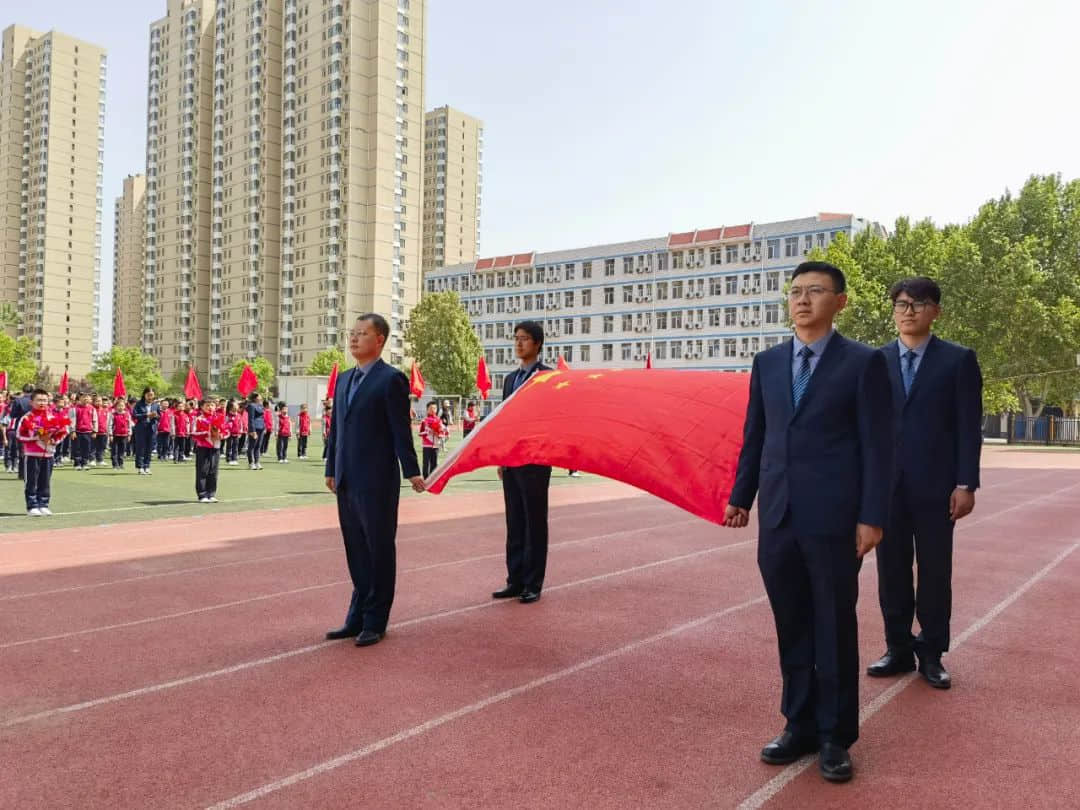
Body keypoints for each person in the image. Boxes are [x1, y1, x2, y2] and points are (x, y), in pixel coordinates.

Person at [722, 261, 893, 784]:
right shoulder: (768, 363)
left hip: (835, 519)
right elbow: (756, 435)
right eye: (795, 291)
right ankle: (797, 723)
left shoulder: (864, 363)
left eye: (815, 291)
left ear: (840, 301)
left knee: (834, 625)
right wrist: (741, 496)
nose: (802, 300)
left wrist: (872, 516)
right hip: (777, 515)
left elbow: (878, 448)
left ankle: (835, 736)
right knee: (791, 621)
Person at [867, 277, 983, 690]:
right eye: (901, 304)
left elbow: (969, 427)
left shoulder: (958, 360)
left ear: (936, 311)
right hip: (886, 487)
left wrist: (966, 482)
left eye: (919, 303)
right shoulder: (873, 362)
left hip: (937, 487)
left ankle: (931, 652)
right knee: (891, 570)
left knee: (935, 571)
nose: (909, 311)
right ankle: (897, 647)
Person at [324, 313, 424, 647]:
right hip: (346, 478)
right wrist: (330, 468)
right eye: (351, 334)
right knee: (356, 550)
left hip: (377, 480)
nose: (353, 339)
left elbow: (400, 430)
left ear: (379, 339)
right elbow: (337, 427)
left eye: (362, 334)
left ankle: (376, 619)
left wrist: (411, 470)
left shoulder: (390, 379)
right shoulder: (344, 379)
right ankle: (357, 615)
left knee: (378, 548)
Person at [493, 320, 553, 605]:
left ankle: (533, 583)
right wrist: (502, 457)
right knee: (514, 521)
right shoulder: (509, 379)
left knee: (534, 522)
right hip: (512, 460)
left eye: (525, 339)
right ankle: (514, 579)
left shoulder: (547, 378)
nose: (519, 343)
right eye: (516, 338)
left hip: (536, 461)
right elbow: (506, 422)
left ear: (538, 344)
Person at [17, 388, 68, 516]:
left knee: (45, 481)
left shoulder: (54, 417)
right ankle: (32, 506)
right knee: (31, 481)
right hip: (32, 454)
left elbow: (63, 432)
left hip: (49, 454)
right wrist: (37, 437)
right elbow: (19, 435)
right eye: (39, 400)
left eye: (45, 400)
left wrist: (52, 440)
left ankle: (43, 504)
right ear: (31, 402)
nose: (42, 403)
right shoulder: (26, 418)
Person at [191, 399, 223, 503]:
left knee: (213, 471)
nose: (210, 407)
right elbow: (193, 433)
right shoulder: (199, 419)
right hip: (203, 447)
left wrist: (221, 435)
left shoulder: (219, 418)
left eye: (212, 405)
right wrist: (206, 433)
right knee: (202, 471)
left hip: (215, 447)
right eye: (207, 405)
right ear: (202, 407)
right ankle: (202, 494)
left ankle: (211, 493)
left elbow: (226, 431)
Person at [132, 387, 159, 475]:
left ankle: (147, 466)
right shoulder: (139, 404)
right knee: (141, 448)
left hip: (151, 429)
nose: (150, 397)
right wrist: (146, 415)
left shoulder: (155, 405)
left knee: (149, 448)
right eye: (148, 395)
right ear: (145, 395)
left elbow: (160, 416)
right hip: (141, 429)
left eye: (152, 395)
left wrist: (155, 416)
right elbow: (135, 415)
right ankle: (140, 467)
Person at [418, 401, 447, 477]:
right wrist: (428, 431)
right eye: (431, 408)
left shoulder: (439, 420)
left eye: (434, 408)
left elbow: (443, 433)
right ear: (427, 409)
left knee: (434, 463)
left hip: (436, 445)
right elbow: (420, 433)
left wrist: (440, 434)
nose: (433, 410)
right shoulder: (424, 421)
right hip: (427, 445)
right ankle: (425, 478)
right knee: (426, 463)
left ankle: (432, 478)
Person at [73, 393, 96, 471]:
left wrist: (95, 431)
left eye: (87, 398)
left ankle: (85, 463)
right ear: (80, 399)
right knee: (77, 448)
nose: (85, 399)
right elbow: (72, 421)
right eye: (84, 398)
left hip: (88, 431)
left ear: (90, 400)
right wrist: (72, 431)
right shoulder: (75, 408)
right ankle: (77, 463)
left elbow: (95, 420)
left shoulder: (92, 408)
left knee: (86, 448)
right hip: (78, 431)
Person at [109, 397, 132, 469]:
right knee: (114, 450)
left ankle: (121, 463)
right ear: (116, 407)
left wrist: (129, 434)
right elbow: (110, 425)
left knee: (122, 450)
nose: (120, 407)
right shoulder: (113, 414)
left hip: (124, 435)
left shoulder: (127, 414)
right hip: (115, 435)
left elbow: (129, 425)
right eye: (119, 406)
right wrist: (110, 434)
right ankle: (115, 464)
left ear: (124, 406)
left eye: (122, 405)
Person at [246, 393, 266, 470]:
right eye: (259, 396)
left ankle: (257, 462)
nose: (261, 397)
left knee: (258, 446)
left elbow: (262, 417)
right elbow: (251, 419)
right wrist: (252, 431)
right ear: (255, 398)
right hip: (255, 428)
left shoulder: (261, 405)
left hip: (261, 427)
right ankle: (251, 463)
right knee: (252, 446)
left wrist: (264, 427)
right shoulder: (251, 405)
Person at [93, 395, 110, 467]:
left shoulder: (105, 410)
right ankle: (92, 459)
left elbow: (107, 421)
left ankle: (100, 460)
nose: (99, 402)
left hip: (103, 431)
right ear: (93, 402)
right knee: (93, 446)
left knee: (102, 446)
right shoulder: (93, 409)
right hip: (95, 431)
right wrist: (93, 430)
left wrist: (107, 430)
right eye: (97, 401)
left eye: (100, 401)